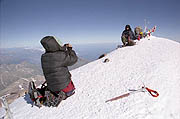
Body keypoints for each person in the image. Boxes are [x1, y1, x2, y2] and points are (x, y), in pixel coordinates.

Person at [40, 36, 78, 106]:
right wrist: (70, 49)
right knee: (71, 90)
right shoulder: (60, 56)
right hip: (65, 87)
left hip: (52, 87)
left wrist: (63, 48)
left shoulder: (44, 57)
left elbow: (56, 53)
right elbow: (74, 59)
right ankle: (64, 94)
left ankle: (54, 93)